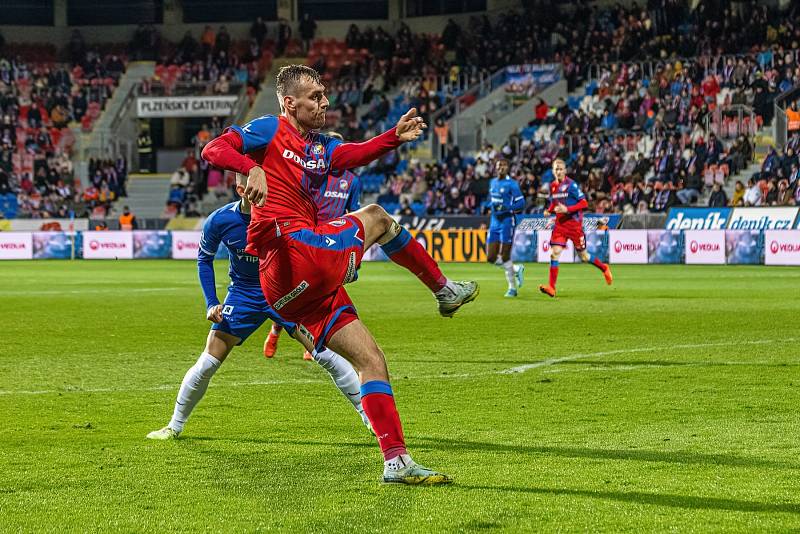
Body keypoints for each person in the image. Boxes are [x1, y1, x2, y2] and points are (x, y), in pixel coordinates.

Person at [201, 64, 479, 485]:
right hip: (294, 252)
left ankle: (396, 461)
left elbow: (348, 155)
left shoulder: (314, 148)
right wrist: (251, 167)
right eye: (314, 95)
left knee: (371, 360)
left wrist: (391, 138)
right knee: (377, 218)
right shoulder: (268, 129)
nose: (324, 101)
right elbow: (212, 149)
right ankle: (443, 289)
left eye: (324, 93)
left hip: (292, 288)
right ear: (289, 102)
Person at [147, 174, 370, 440]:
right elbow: (204, 260)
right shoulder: (220, 220)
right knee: (207, 362)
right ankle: (174, 426)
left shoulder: (286, 215)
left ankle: (370, 418)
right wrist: (211, 303)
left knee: (325, 356)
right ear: (241, 189)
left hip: (287, 292)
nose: (265, 190)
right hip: (244, 295)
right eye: (256, 185)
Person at [264, 132, 362, 360]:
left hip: (333, 238)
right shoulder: (314, 175)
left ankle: (311, 341)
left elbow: (353, 211)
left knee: (325, 289)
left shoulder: (353, 180)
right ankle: (275, 331)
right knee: (294, 290)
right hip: (308, 235)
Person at [539, 159, 613, 298]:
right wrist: (549, 210)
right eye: (556, 169)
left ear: (565, 171)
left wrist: (567, 209)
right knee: (554, 254)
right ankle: (552, 288)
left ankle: (604, 268)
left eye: (561, 169)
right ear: (553, 171)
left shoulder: (571, 185)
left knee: (584, 257)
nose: (558, 171)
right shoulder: (553, 186)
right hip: (560, 226)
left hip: (574, 226)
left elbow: (584, 203)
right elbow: (555, 203)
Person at [485, 158, 525, 297]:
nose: (501, 167)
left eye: (503, 165)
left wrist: (508, 208)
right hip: (494, 222)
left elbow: (521, 204)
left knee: (505, 256)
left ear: (507, 168)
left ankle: (512, 289)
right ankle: (516, 268)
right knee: (490, 257)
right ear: (495, 168)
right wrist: (489, 206)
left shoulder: (512, 184)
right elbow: (493, 200)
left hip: (507, 221)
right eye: (498, 165)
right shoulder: (492, 182)